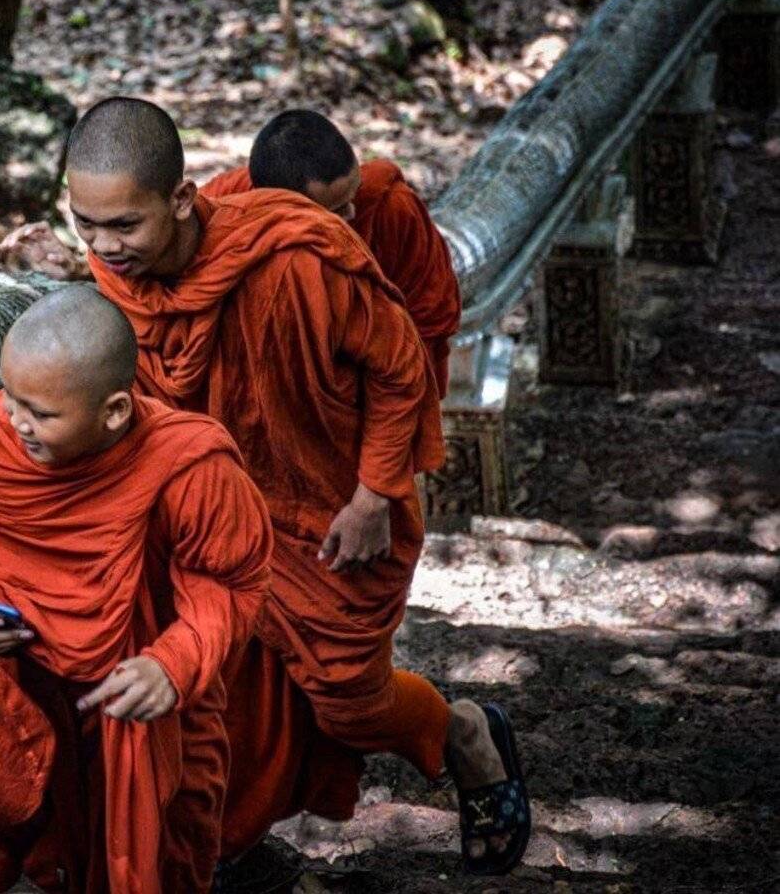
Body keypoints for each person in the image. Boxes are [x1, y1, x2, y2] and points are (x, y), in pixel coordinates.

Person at [67, 97, 530, 876]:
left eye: (125, 227)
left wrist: (375, 494)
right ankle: (211, 848)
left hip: (331, 517)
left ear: (182, 201)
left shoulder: (299, 254)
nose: (105, 249)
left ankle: (466, 735)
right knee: (218, 689)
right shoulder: (116, 282)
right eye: (88, 226)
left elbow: (402, 363)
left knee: (350, 695)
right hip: (216, 523)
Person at [0, 286, 276, 893]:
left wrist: (173, 664)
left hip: (142, 693)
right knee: (42, 821)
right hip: (32, 684)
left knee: (162, 844)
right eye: (10, 395)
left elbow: (228, 582)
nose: (14, 420)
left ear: (113, 411)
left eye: (41, 413)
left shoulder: (188, 466)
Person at [203, 109, 462, 395]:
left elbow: (430, 315)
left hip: (373, 376)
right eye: (336, 210)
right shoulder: (224, 212)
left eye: (354, 193)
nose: (352, 213)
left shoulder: (389, 209)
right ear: (280, 210)